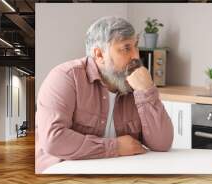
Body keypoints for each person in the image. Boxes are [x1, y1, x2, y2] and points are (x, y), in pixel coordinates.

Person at [35, 16, 173, 173]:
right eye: (126, 48)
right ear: (99, 54)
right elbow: (54, 139)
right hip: (61, 174)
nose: (136, 56)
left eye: (136, 46)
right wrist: (115, 147)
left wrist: (147, 91)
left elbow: (162, 144)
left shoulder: (136, 85)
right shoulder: (65, 77)